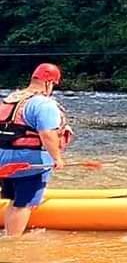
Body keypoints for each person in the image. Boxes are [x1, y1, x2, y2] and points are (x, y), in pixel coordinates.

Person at [0, 63, 74, 237]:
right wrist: (57, 158)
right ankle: (13, 243)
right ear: (49, 82)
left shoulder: (11, 99)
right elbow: (47, 134)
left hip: (3, 160)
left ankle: (8, 234)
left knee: (14, 200)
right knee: (23, 204)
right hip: (28, 162)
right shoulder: (43, 104)